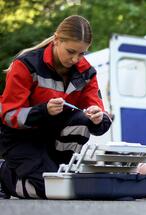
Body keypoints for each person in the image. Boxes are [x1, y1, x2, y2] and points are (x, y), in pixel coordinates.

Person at [0, 15, 111, 199]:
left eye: (82, 53)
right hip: (20, 139)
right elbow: (9, 115)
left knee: (83, 121)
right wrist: (43, 110)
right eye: (71, 51)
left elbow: (100, 117)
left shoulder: (87, 72)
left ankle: (59, 171)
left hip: (53, 138)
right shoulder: (26, 64)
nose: (76, 59)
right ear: (57, 40)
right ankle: (4, 175)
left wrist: (99, 118)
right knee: (51, 190)